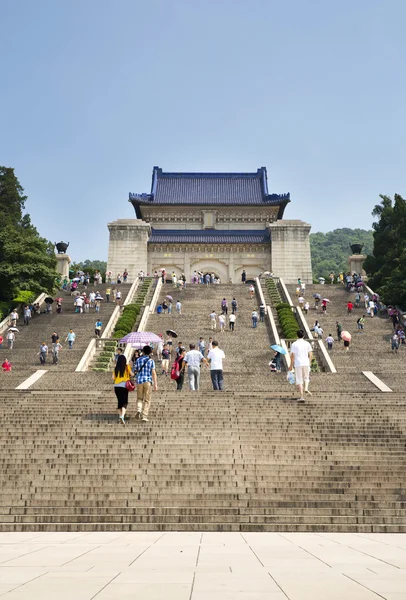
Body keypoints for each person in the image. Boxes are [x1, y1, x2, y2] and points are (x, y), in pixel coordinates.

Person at [289, 329, 313, 402]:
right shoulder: (307, 343)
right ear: (304, 335)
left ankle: (302, 396)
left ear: (297, 335)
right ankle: (306, 388)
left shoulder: (294, 344)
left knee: (299, 380)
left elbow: (292, 356)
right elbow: (311, 354)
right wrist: (309, 362)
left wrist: (291, 365)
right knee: (306, 377)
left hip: (298, 363)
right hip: (306, 362)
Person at [135, 346, 157, 422]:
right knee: (147, 400)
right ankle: (144, 416)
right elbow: (153, 373)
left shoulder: (138, 360)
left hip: (139, 381)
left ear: (143, 352)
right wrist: (155, 384)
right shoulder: (151, 361)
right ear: (150, 352)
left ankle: (139, 410)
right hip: (148, 381)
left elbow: (136, 370)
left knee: (139, 398)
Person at [112, 354, 133, 425]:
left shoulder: (116, 368)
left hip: (116, 386)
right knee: (124, 402)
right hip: (124, 386)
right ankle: (122, 416)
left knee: (119, 402)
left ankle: (121, 416)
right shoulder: (127, 366)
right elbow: (132, 374)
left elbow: (113, 378)